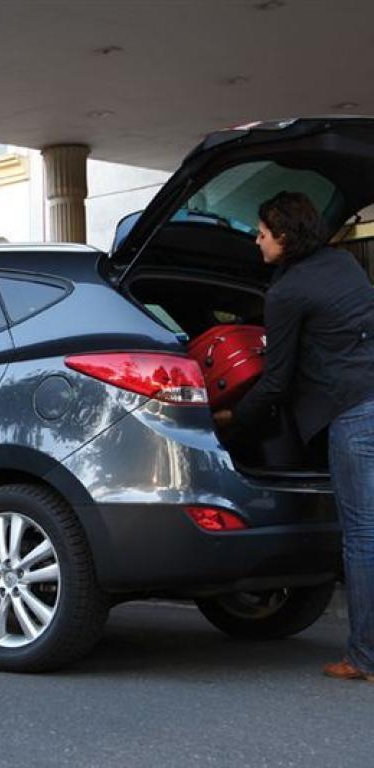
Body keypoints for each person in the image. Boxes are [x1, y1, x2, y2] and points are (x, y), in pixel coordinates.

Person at [213, 190, 374, 683]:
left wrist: (231, 422)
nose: (257, 241)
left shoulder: (286, 293)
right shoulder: (343, 265)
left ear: (283, 237)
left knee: (363, 537)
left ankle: (365, 659)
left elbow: (276, 382)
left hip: (355, 413)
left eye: (262, 233)